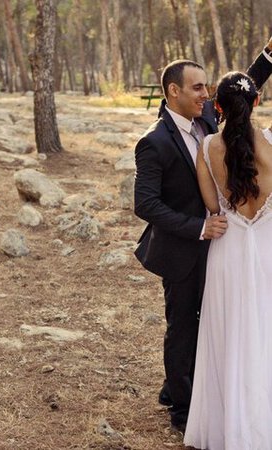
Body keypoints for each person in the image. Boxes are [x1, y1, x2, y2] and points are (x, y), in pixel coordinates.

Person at [134, 39, 272, 433]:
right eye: (197, 88)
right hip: (184, 246)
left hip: (223, 241)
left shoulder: (210, 120)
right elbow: (145, 204)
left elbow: (242, 91)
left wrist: (268, 56)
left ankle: (194, 391)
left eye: (209, 89)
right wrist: (198, 227)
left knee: (218, 323)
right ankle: (181, 409)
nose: (206, 95)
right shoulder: (155, 141)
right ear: (173, 91)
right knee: (183, 326)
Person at [184, 71, 272, 450]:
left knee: (229, 335)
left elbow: (210, 204)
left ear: (216, 106)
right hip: (266, 246)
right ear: (255, 104)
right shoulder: (270, 142)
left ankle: (228, 426)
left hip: (229, 247)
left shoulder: (207, 147)